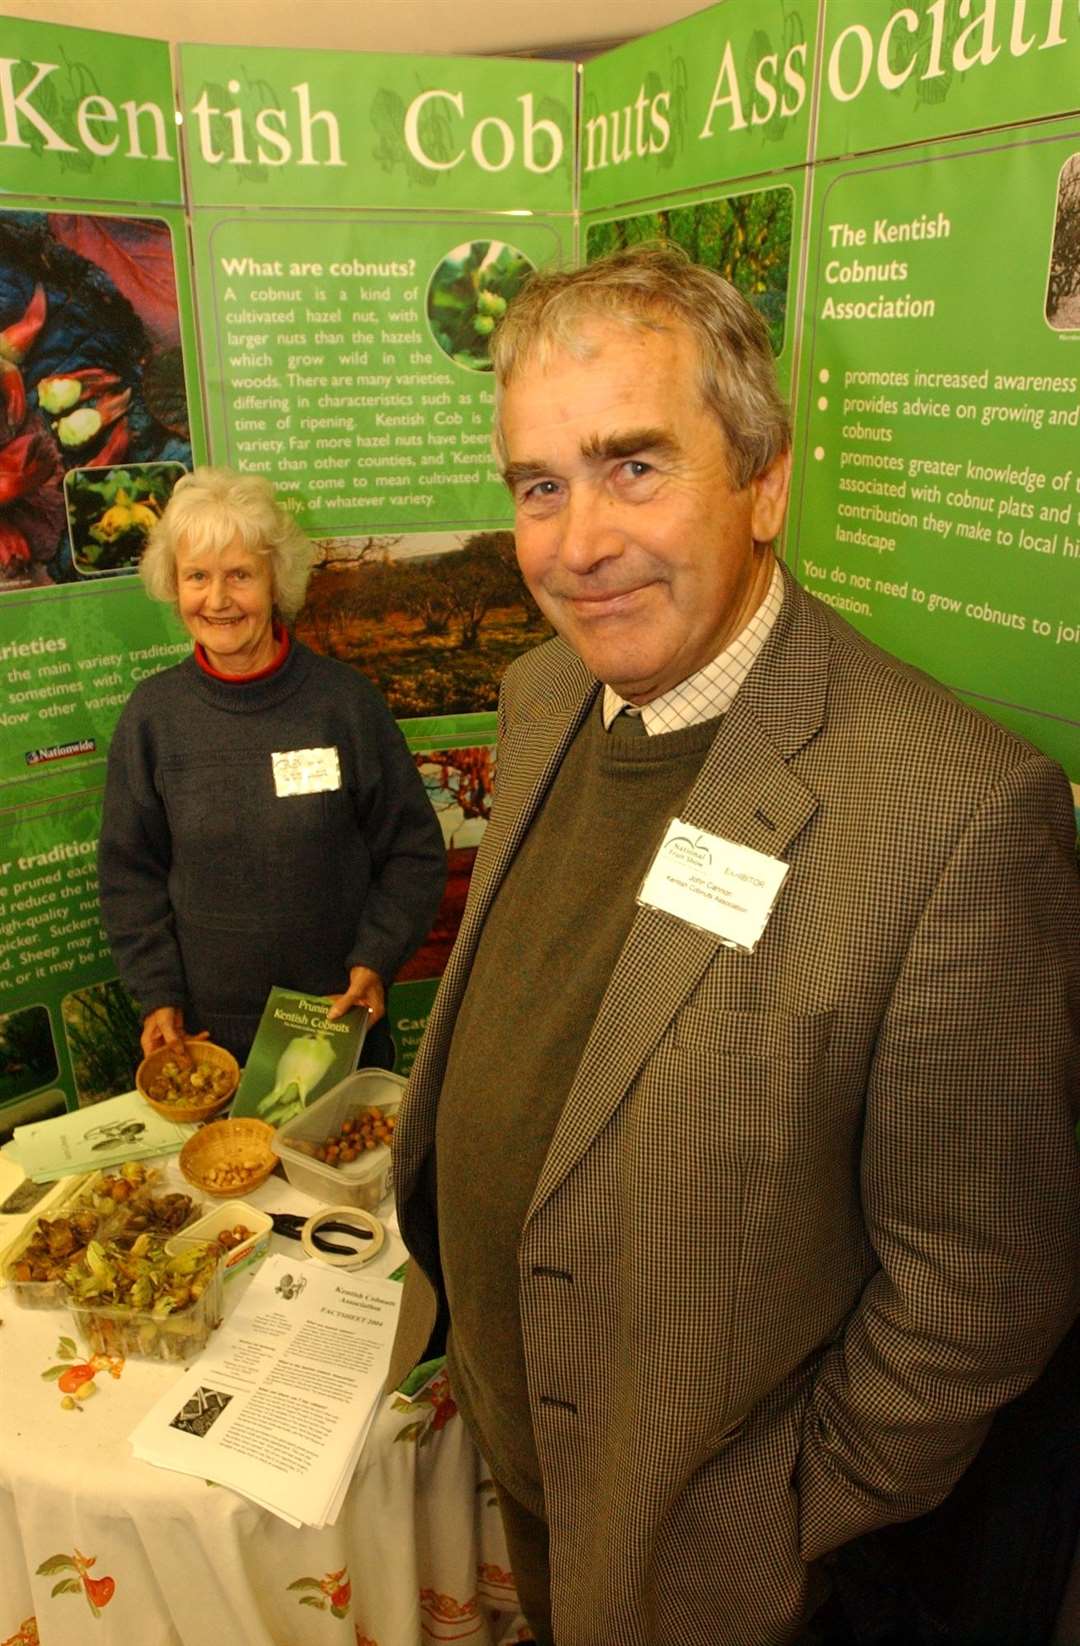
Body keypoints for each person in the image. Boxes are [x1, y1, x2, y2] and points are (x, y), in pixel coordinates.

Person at [386, 245, 1080, 1645]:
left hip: (729, 1566)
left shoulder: (958, 811)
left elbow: (981, 1279)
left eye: (635, 466)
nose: (577, 543)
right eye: (540, 484)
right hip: (537, 1475)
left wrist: (788, 1514)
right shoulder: (541, 698)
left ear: (765, 480)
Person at [98, 466, 446, 1069]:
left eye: (240, 575)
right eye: (197, 577)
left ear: (276, 580)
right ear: (172, 585)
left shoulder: (344, 704)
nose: (218, 599)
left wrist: (375, 960)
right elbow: (131, 874)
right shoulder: (152, 717)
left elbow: (413, 850)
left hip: (336, 1030)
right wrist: (157, 995)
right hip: (206, 1046)